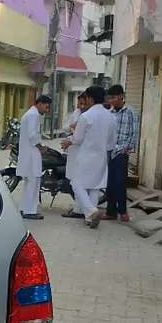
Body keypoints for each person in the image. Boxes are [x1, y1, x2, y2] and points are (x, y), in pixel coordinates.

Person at [61, 86, 116, 229]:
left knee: (76, 184)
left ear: (90, 99)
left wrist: (69, 141)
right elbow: (111, 143)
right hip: (102, 156)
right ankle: (89, 218)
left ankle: (91, 211)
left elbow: (78, 138)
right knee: (94, 187)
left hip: (86, 155)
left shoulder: (86, 116)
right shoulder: (111, 117)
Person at [104, 84, 139, 222]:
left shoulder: (130, 112)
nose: (111, 101)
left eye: (113, 98)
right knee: (110, 183)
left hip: (122, 152)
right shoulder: (109, 113)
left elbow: (134, 132)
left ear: (120, 96)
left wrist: (127, 148)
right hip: (110, 151)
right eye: (109, 98)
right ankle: (110, 212)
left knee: (120, 183)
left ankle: (123, 211)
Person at [17, 94, 52, 220]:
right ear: (40, 103)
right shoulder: (34, 115)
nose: (47, 110)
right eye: (46, 107)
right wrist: (41, 147)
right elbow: (33, 135)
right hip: (32, 154)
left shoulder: (29, 114)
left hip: (28, 153)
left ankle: (24, 208)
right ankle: (30, 211)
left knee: (29, 183)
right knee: (33, 182)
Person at [62, 93, 88, 220]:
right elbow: (66, 126)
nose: (80, 106)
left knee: (80, 182)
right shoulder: (76, 113)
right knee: (74, 180)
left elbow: (81, 136)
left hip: (82, 151)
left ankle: (83, 209)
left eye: (83, 103)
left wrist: (76, 129)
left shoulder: (89, 116)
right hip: (73, 150)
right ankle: (79, 208)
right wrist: (72, 127)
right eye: (79, 103)